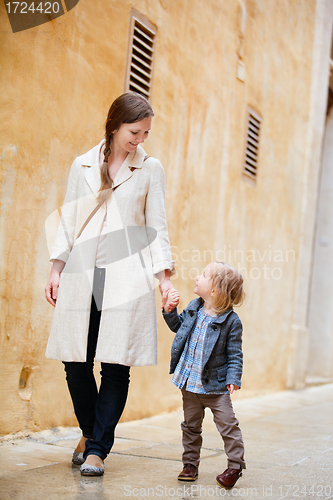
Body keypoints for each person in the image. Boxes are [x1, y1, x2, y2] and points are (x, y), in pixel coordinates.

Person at [45, 92, 176, 476]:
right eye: (135, 131)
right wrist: (56, 268)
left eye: (146, 133)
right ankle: (90, 433)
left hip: (126, 277)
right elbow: (68, 222)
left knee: (116, 366)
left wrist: (164, 280)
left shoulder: (150, 168)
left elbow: (158, 227)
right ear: (115, 125)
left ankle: (97, 450)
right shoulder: (82, 164)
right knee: (75, 363)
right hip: (82, 275)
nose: (141, 139)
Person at [163, 261, 246, 489]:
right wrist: (170, 312)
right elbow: (179, 328)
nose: (197, 277)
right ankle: (190, 465)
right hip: (189, 384)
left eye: (203, 275)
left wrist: (233, 379)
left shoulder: (231, 322)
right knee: (190, 427)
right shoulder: (194, 307)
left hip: (216, 387)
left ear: (215, 290)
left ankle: (235, 466)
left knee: (228, 426)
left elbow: (234, 354)